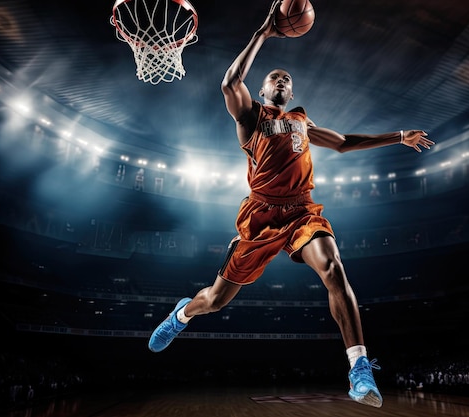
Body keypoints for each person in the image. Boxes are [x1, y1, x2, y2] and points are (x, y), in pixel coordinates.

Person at [148, 0, 435, 408]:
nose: (280, 80)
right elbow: (230, 84)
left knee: (333, 267)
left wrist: (399, 135)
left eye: (286, 78)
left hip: (302, 211)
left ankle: (358, 368)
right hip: (260, 215)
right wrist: (264, 32)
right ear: (263, 91)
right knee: (214, 300)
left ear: (292, 91)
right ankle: (182, 315)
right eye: (273, 78)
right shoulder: (251, 117)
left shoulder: (302, 121)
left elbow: (344, 143)